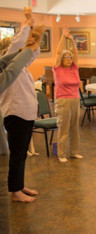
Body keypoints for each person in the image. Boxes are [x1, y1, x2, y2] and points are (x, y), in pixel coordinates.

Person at [0, 24, 44, 232]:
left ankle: (19, 185)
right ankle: (15, 191)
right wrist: (28, 25)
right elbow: (16, 46)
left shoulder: (23, 67)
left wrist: (36, 37)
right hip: (15, 114)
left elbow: (32, 52)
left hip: (25, 114)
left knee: (21, 155)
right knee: (17, 154)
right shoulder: (9, 67)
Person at [52, 26, 83, 163]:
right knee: (64, 127)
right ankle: (62, 153)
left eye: (70, 57)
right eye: (66, 57)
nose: (69, 58)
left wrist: (72, 41)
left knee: (74, 127)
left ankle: (74, 151)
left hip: (75, 99)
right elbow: (58, 53)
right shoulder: (57, 69)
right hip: (63, 100)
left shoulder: (74, 68)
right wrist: (63, 37)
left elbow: (76, 54)